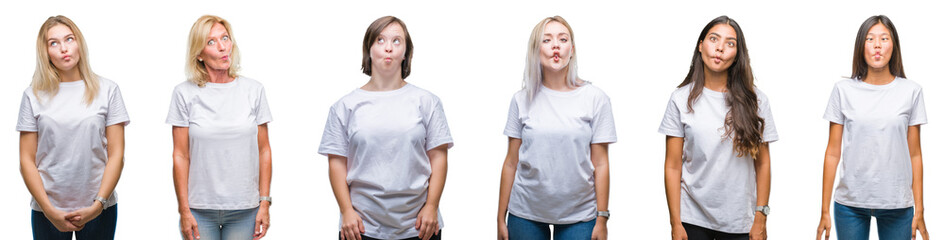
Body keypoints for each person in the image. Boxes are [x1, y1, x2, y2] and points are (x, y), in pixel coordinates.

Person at [319, 16, 453, 240]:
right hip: (362, 228)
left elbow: (439, 158)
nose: (388, 47)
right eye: (380, 40)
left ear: (407, 52)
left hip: (419, 226)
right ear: (368, 49)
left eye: (397, 41)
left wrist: (431, 206)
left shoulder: (427, 101)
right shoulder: (344, 106)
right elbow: (336, 163)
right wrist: (346, 211)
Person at [496, 16, 616, 240]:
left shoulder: (595, 98)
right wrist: (499, 219)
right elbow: (511, 162)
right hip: (525, 213)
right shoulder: (521, 100)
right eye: (547, 40)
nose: (555, 46)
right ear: (535, 50)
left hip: (580, 215)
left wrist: (602, 218)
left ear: (572, 50)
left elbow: (601, 163)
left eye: (563, 39)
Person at [660, 15, 776, 240]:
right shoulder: (680, 99)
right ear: (701, 45)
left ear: (737, 55)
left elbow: (763, 164)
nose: (720, 48)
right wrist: (675, 223)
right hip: (692, 217)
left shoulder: (757, 101)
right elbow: (673, 166)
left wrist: (761, 218)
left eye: (730, 43)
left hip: (740, 220)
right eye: (714, 39)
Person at [815, 15, 930, 240]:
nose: (877, 45)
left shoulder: (911, 91)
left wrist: (920, 209)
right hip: (850, 205)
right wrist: (824, 210)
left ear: (894, 45)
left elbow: (915, 155)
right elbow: (832, 153)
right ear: (861, 46)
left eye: (884, 38)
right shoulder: (843, 90)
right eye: (870, 39)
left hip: (897, 204)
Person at [18, 15, 130, 240]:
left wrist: (98, 204)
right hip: (48, 210)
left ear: (79, 43)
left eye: (69, 39)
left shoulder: (108, 90)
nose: (63, 48)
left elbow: (116, 154)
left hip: (99, 207)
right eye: (53, 43)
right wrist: (49, 211)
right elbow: (26, 160)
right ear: (45, 52)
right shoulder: (33, 95)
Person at [168, 15, 272, 240]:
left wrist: (265, 203)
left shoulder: (253, 90)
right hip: (199, 209)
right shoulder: (184, 93)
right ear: (199, 53)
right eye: (211, 42)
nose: (223, 47)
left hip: (245, 208)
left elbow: (264, 150)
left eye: (225, 38)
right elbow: (180, 155)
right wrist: (184, 210)